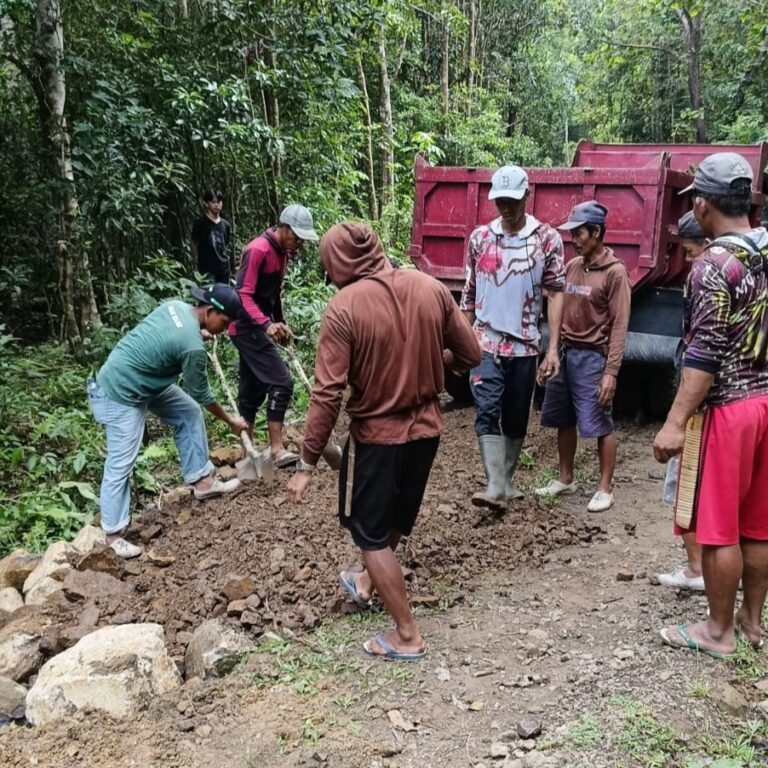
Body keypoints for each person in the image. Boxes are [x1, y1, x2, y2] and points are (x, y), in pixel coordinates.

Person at [286, 221, 481, 660]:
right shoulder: (430, 287)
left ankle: (406, 635)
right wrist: (429, 360)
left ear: (339, 263)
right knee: (394, 519)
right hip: (427, 432)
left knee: (370, 535)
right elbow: (471, 354)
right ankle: (365, 581)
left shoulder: (344, 308)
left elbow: (327, 393)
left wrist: (307, 463)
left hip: (377, 437)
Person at [654, 152, 768, 658]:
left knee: (718, 526)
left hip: (730, 408)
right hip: (766, 400)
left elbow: (704, 354)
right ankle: (751, 622)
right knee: (759, 522)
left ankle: (717, 632)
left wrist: (675, 422)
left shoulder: (712, 266)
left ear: (702, 204)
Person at [88, 284, 248, 558]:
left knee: (188, 412)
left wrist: (196, 334)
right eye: (225, 322)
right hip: (121, 390)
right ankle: (112, 536)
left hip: (143, 377)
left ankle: (202, 481)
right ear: (210, 311)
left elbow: (169, 335)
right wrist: (230, 421)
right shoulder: (191, 347)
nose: (225, 329)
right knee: (121, 461)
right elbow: (202, 394)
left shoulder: (176, 307)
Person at [460, 164, 565, 510]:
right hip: (485, 340)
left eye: (513, 200)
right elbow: (469, 294)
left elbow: (555, 293)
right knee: (487, 408)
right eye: (500, 200)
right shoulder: (480, 238)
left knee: (516, 415)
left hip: (525, 344)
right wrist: (459, 340)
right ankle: (494, 485)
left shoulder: (546, 239)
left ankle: (505, 481)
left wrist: (552, 348)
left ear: (527, 196)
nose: (506, 207)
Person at [535, 201, 631, 513]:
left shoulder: (615, 273)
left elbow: (620, 325)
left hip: (593, 359)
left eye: (579, 233)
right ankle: (566, 479)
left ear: (597, 232)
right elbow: (557, 308)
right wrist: (551, 352)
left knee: (600, 422)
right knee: (563, 419)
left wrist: (611, 372)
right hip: (566, 353)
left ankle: (605, 488)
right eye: (572, 233)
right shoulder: (573, 266)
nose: (573, 239)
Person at [231, 204, 319, 467]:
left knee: (251, 392)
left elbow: (274, 294)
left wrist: (280, 322)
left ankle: (247, 458)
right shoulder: (257, 250)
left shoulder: (282, 253)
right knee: (281, 382)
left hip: (258, 325)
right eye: (296, 237)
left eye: (303, 239)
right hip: (245, 327)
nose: (299, 243)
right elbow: (243, 295)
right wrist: (266, 324)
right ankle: (276, 450)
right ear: (283, 228)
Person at [655, 211, 709, 591]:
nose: (689, 261)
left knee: (684, 484)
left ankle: (696, 569)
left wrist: (677, 419)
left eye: (690, 252)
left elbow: (700, 358)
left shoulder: (705, 280)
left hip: (701, 406)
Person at [191, 189, 232, 284]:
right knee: (208, 292)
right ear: (206, 203)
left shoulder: (226, 225)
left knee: (223, 293)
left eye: (219, 202)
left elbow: (225, 244)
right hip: (207, 269)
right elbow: (193, 241)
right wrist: (195, 258)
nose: (217, 205)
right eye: (213, 202)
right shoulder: (200, 223)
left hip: (223, 269)